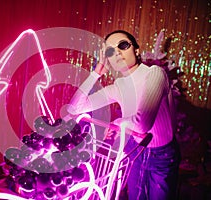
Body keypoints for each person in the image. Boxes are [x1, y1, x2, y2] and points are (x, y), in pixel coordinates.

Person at [67, 30, 181, 200]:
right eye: (111, 51)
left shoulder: (155, 73)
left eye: (123, 45)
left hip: (161, 156)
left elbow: (142, 124)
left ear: (135, 49)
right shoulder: (118, 86)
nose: (118, 52)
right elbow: (74, 108)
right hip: (135, 151)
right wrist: (96, 73)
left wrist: (118, 122)